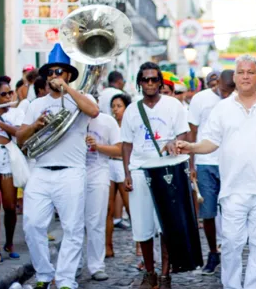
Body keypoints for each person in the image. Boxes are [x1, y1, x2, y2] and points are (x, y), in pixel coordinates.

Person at [176, 54, 256, 289]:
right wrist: (191, 147)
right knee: (232, 244)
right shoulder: (222, 109)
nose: (245, 76)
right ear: (234, 77)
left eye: (250, 72)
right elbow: (210, 143)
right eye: (241, 72)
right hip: (233, 189)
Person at [17, 43, 99, 289]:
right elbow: (21, 137)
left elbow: (93, 111)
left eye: (59, 72)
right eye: (51, 73)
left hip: (72, 172)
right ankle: (44, 274)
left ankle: (65, 280)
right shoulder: (35, 105)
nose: (54, 76)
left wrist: (68, 90)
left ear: (68, 75)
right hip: (41, 171)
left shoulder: (83, 99)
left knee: (73, 228)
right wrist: (35, 126)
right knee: (32, 225)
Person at [121, 62, 189, 288]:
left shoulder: (173, 105)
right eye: (145, 79)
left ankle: (166, 273)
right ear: (140, 83)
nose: (150, 83)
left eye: (154, 79)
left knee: (166, 227)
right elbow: (126, 144)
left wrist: (174, 142)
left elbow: (184, 135)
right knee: (142, 227)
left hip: (167, 171)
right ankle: (149, 272)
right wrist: (127, 173)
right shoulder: (132, 110)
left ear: (160, 82)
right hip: (140, 171)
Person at [187, 70, 236, 275]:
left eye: (230, 91)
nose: (226, 95)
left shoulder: (237, 99)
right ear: (217, 85)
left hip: (230, 161)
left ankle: (231, 252)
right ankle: (213, 252)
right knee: (208, 212)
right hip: (206, 161)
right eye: (223, 90)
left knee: (232, 210)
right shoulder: (201, 99)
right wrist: (191, 165)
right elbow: (192, 132)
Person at [80, 97, 122, 281]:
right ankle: (73, 265)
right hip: (74, 175)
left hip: (98, 174)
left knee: (96, 221)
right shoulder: (73, 121)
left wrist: (98, 146)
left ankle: (96, 265)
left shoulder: (107, 121)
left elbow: (120, 149)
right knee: (73, 224)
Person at [0, 81, 24, 265]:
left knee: (10, 206)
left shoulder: (16, 113)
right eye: (4, 94)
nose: (8, 97)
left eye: (10, 93)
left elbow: (20, 133)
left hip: (9, 157)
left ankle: (10, 243)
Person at [106, 93, 132, 258]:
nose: (115, 109)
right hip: (109, 164)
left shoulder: (130, 124)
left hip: (124, 167)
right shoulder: (109, 124)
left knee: (131, 209)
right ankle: (108, 246)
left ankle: (139, 244)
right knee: (107, 209)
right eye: (113, 106)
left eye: (119, 106)